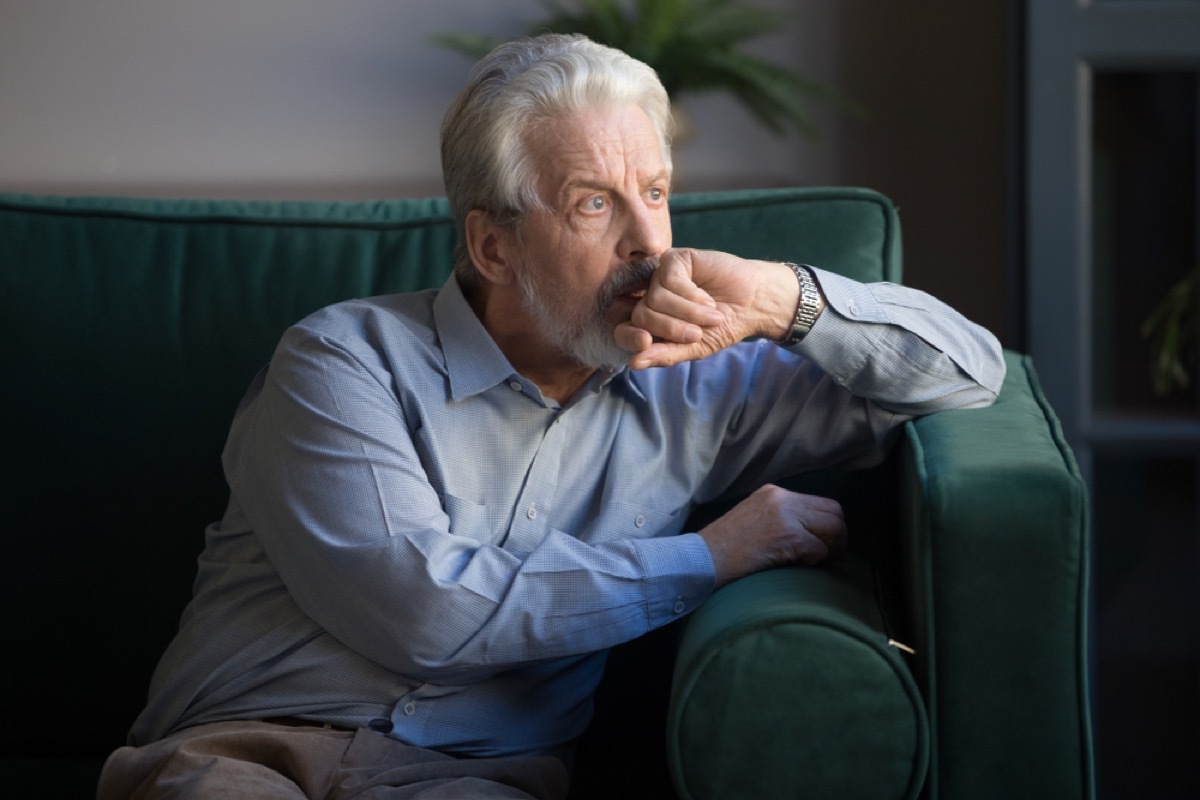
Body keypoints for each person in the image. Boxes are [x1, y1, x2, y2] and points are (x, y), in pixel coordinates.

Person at [98, 32, 1005, 800]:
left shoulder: (700, 383)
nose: (650, 242)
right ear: (494, 245)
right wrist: (711, 557)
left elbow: (969, 374)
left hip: (469, 780)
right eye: (595, 203)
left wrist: (783, 299)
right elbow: (427, 612)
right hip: (242, 755)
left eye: (654, 192)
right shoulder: (341, 364)